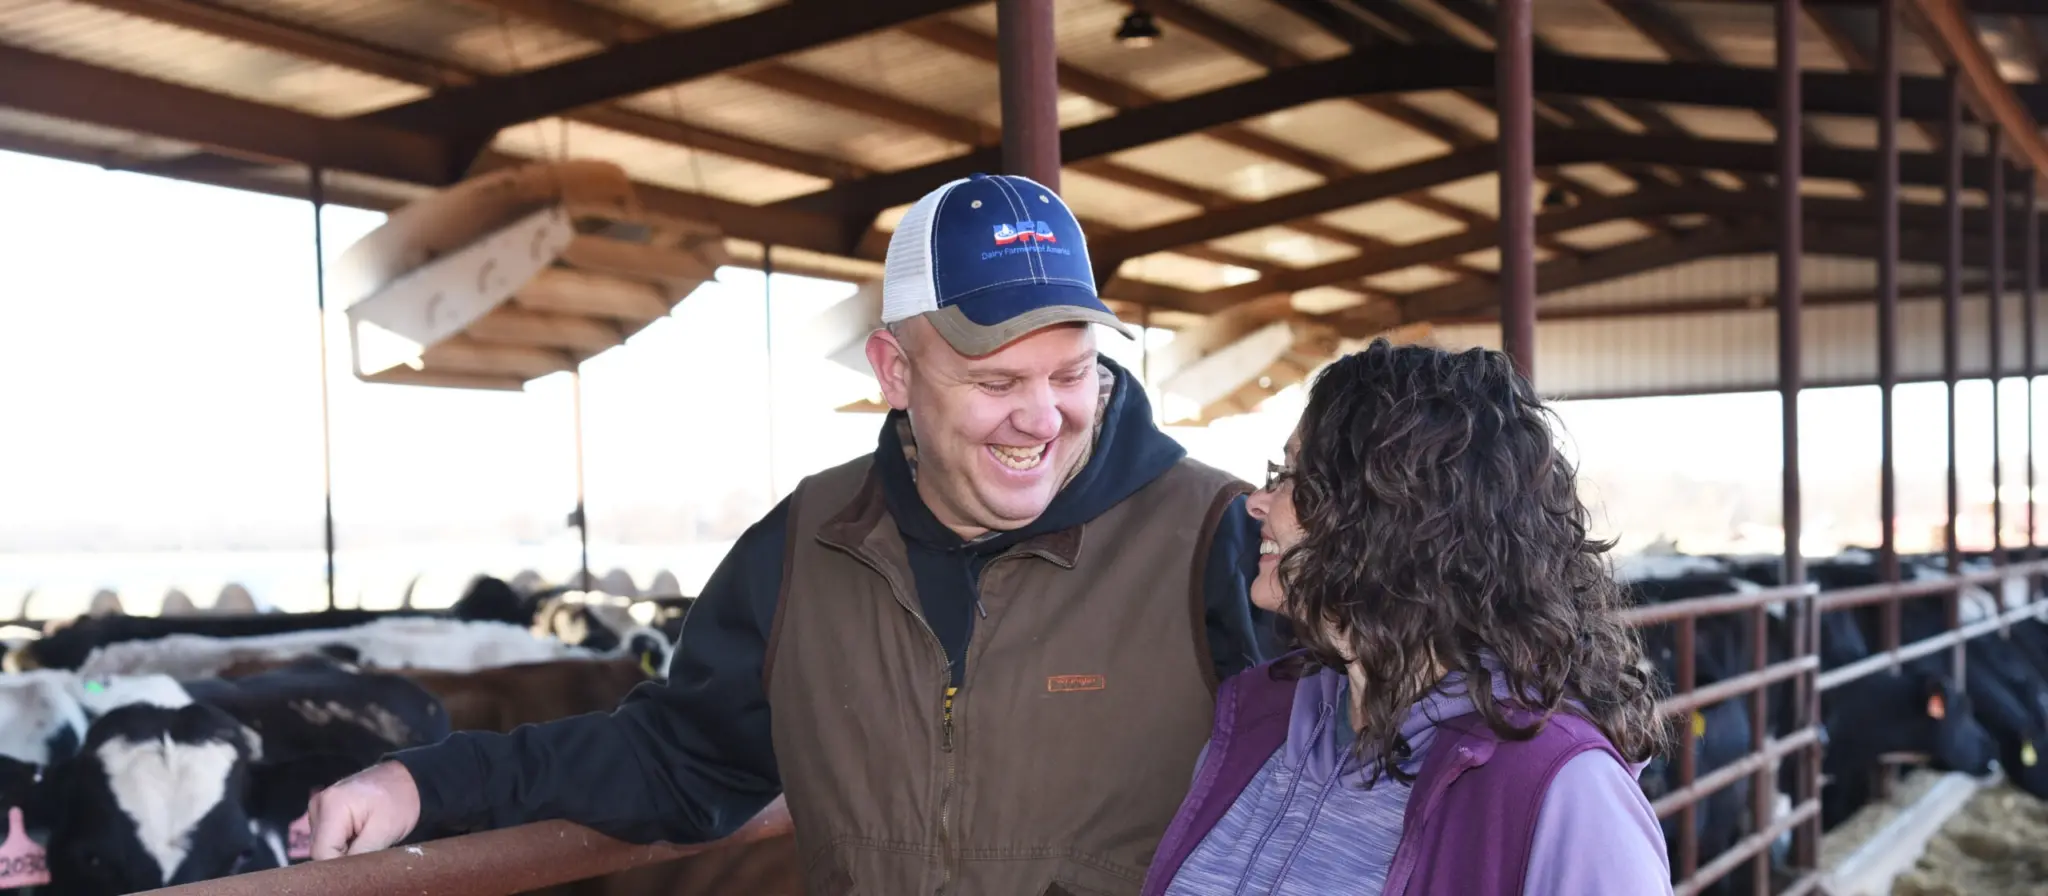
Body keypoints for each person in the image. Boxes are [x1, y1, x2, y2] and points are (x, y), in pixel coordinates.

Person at [304, 172, 1277, 895]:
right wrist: (426, 784)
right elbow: (676, 758)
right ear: (894, 371)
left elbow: (1344, 796)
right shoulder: (811, 541)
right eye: (994, 381)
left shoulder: (1217, 542)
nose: (1041, 416)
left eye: (1070, 372)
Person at [1141, 341, 1673, 896]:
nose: (1259, 501)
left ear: (1399, 517)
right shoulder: (1261, 715)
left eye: (1296, 476)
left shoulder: (1559, 788)